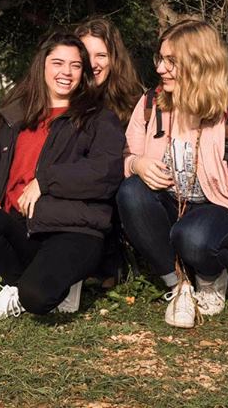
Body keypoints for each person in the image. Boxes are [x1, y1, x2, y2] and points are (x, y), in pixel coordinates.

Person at [117, 19, 228, 331]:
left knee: (193, 236)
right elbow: (125, 158)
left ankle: (211, 276)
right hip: (168, 204)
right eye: (160, 58)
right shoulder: (150, 104)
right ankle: (179, 286)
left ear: (200, 64)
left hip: (215, 215)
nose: (160, 68)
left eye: (171, 61)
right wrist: (136, 164)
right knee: (130, 192)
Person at [0, 31, 125, 319]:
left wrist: (46, 181)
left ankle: (45, 284)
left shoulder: (98, 118)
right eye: (58, 63)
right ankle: (16, 283)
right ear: (42, 66)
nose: (66, 72)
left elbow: (106, 172)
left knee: (37, 299)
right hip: (21, 225)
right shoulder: (15, 115)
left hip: (73, 229)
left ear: (83, 72)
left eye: (75, 65)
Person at [74, 17, 143, 286]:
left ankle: (111, 261)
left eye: (101, 55)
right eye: (86, 54)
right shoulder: (65, 98)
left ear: (114, 59)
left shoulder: (134, 102)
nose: (93, 63)